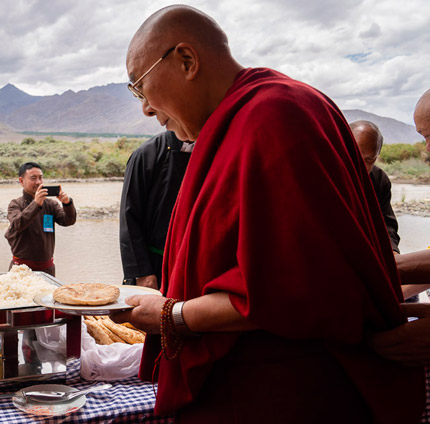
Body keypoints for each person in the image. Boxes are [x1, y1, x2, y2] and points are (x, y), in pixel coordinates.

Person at [111, 5, 424, 423]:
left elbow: (291, 289)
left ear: (187, 60)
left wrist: (169, 315)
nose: (146, 109)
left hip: (286, 392)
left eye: (140, 87)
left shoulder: (276, 115)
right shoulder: (238, 122)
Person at [370, 89, 430, 365]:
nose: (427, 148)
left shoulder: (379, 180)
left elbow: (387, 223)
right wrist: (390, 277)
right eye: (423, 138)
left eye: (429, 136)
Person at [119, 128, 193, 289]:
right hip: (154, 266)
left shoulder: (216, 150)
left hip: (194, 265)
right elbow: (128, 216)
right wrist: (143, 273)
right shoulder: (146, 154)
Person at [5, 162, 76, 277]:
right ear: (21, 181)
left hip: (47, 269)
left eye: (40, 178)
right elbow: (18, 224)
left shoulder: (50, 204)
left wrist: (67, 204)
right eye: (33, 178)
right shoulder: (15, 204)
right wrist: (36, 204)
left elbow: (68, 221)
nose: (38, 182)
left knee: (47, 295)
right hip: (20, 270)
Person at [350, 120, 400, 252]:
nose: (360, 165)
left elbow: (386, 224)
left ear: (377, 156)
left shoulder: (379, 180)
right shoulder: (326, 175)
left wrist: (392, 252)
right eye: (354, 156)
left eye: (369, 160)